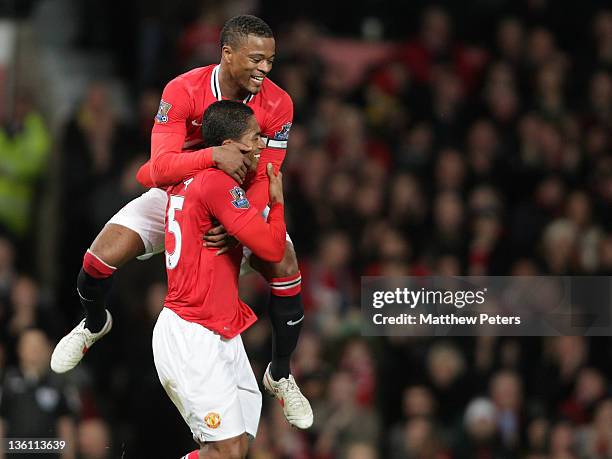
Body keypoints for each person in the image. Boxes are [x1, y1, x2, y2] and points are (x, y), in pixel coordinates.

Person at [51, 15, 312, 428]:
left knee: (285, 265)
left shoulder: (279, 103)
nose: (265, 69)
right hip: (179, 192)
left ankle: (280, 374)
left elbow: (269, 171)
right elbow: (157, 169)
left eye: (271, 61)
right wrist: (212, 157)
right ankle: (94, 322)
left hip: (238, 199)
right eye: (257, 59)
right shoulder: (183, 89)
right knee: (100, 256)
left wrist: (237, 214)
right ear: (227, 54)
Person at [154, 100, 309, 459]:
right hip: (191, 332)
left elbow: (151, 172)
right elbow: (271, 249)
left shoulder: (189, 175)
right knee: (226, 450)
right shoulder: (215, 184)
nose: (260, 146)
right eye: (253, 139)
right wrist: (277, 202)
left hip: (217, 329)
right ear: (227, 146)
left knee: (234, 448)